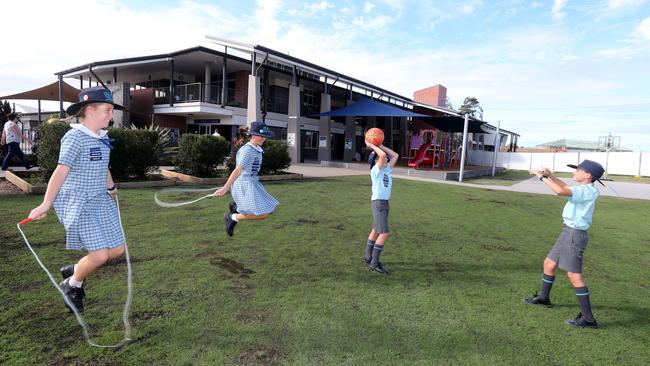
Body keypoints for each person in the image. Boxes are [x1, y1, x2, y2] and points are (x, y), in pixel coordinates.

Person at [27, 86, 127, 313]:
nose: (112, 116)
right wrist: (46, 203)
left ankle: (78, 269)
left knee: (118, 249)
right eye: (108, 110)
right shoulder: (74, 137)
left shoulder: (103, 137)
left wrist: (110, 187)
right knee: (100, 255)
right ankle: (72, 285)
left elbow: (103, 167)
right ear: (90, 110)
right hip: (79, 202)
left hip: (100, 200)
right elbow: (61, 171)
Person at [523, 160, 605, 328]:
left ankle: (589, 319)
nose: (575, 172)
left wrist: (540, 177)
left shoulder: (588, 191)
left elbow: (560, 191)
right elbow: (565, 187)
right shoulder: (582, 189)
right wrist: (550, 175)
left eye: (578, 170)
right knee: (549, 264)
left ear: (588, 175)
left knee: (574, 276)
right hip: (568, 232)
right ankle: (544, 299)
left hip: (575, 235)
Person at [213, 121, 279, 236]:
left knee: (268, 209)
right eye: (261, 136)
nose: (264, 138)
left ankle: (236, 208)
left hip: (252, 183)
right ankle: (233, 217)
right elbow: (237, 170)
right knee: (264, 213)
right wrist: (225, 188)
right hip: (244, 184)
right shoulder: (248, 150)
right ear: (252, 135)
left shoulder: (256, 149)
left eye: (265, 136)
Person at [363, 141, 399, 274]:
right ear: (375, 161)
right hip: (379, 203)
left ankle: (368, 257)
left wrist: (381, 146)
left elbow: (395, 155)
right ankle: (374, 263)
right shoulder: (375, 170)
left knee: (376, 230)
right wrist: (372, 145)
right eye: (380, 159)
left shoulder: (386, 169)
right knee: (384, 233)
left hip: (383, 203)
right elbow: (383, 156)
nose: (385, 159)